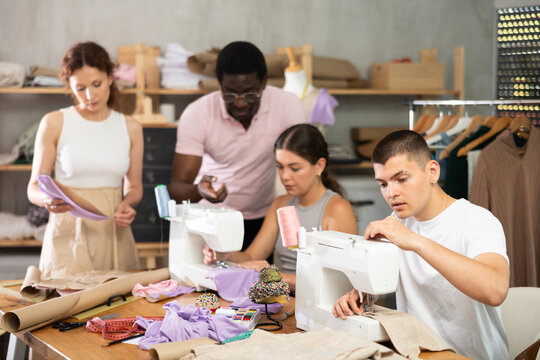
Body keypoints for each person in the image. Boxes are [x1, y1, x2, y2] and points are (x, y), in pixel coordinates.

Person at [331, 130, 509, 359]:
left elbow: (495, 290)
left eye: (401, 179)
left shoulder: (478, 221)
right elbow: (391, 285)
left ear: (432, 172)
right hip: (419, 353)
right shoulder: (396, 225)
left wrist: (414, 241)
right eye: (383, 184)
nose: (391, 193)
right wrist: (362, 293)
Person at [169, 41, 305, 251]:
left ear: (264, 83)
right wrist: (199, 190)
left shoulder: (288, 105)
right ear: (219, 84)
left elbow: (301, 165)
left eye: (250, 94)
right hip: (210, 219)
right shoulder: (198, 114)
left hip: (263, 219)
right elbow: (177, 187)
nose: (240, 102)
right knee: (207, 282)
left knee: (258, 280)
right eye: (230, 93)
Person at [27, 42, 143, 278]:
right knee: (66, 308)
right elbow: (33, 187)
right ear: (69, 86)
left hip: (113, 233)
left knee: (119, 310)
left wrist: (128, 205)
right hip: (67, 234)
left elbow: (135, 188)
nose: (90, 95)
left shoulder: (131, 127)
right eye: (80, 88)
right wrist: (47, 199)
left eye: (97, 84)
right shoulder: (54, 122)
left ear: (111, 77)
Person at [203, 124, 358, 292]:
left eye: (295, 168)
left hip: (318, 305)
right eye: (280, 166)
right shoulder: (281, 204)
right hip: (283, 300)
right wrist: (222, 253)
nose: (285, 176)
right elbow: (251, 257)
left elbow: (339, 283)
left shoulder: (337, 209)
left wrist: (275, 275)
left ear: (319, 166)